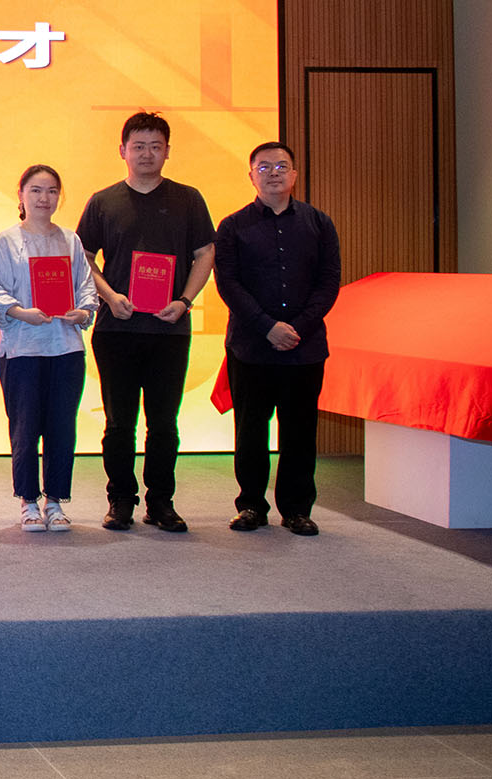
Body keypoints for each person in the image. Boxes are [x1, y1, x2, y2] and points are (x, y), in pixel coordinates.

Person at [75, 110, 216, 534]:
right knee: (119, 423)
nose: (147, 154)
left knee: (164, 423)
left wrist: (185, 301)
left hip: (169, 329)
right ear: (123, 150)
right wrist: (110, 295)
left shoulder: (188, 199)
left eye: (156, 146)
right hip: (116, 329)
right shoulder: (103, 201)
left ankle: (160, 501)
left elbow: (205, 254)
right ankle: (120, 499)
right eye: (139, 146)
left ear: (168, 151)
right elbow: (83, 258)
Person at [213, 142, 341, 537]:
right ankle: (251, 505)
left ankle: (297, 509)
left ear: (295, 175)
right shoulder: (232, 226)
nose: (273, 173)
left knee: (299, 431)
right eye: (264, 167)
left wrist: (297, 327)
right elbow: (229, 284)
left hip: (305, 347)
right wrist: (267, 326)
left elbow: (329, 282)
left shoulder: (319, 224)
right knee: (250, 430)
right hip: (251, 346)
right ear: (251, 176)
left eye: (281, 166)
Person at [0, 165, 100, 532]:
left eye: (51, 191)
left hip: (65, 348)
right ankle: (28, 500)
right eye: (35, 190)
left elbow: (85, 286)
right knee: (25, 428)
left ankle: (55, 500)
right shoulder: (7, 241)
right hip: (22, 349)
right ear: (21, 195)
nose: (44, 198)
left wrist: (83, 311)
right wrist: (21, 312)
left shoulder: (70, 240)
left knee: (62, 427)